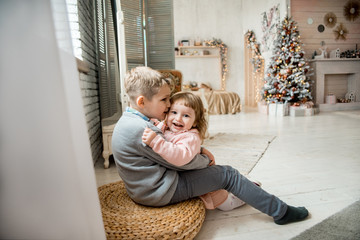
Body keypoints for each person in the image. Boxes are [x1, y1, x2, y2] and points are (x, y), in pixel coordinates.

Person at [112, 66, 309, 225]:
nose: (167, 105)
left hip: (145, 188)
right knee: (228, 174)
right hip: (159, 191)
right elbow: (181, 163)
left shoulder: (128, 122)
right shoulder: (143, 131)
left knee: (218, 175)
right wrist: (205, 160)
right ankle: (280, 211)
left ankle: (245, 194)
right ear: (141, 101)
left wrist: (199, 150)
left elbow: (169, 149)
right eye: (164, 100)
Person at [141, 91, 247, 211]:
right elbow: (160, 130)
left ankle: (240, 196)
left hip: (199, 179)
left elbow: (179, 156)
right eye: (174, 112)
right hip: (181, 179)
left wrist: (155, 141)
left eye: (186, 115)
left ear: (195, 121)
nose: (178, 118)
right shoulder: (165, 127)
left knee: (223, 201)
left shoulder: (191, 137)